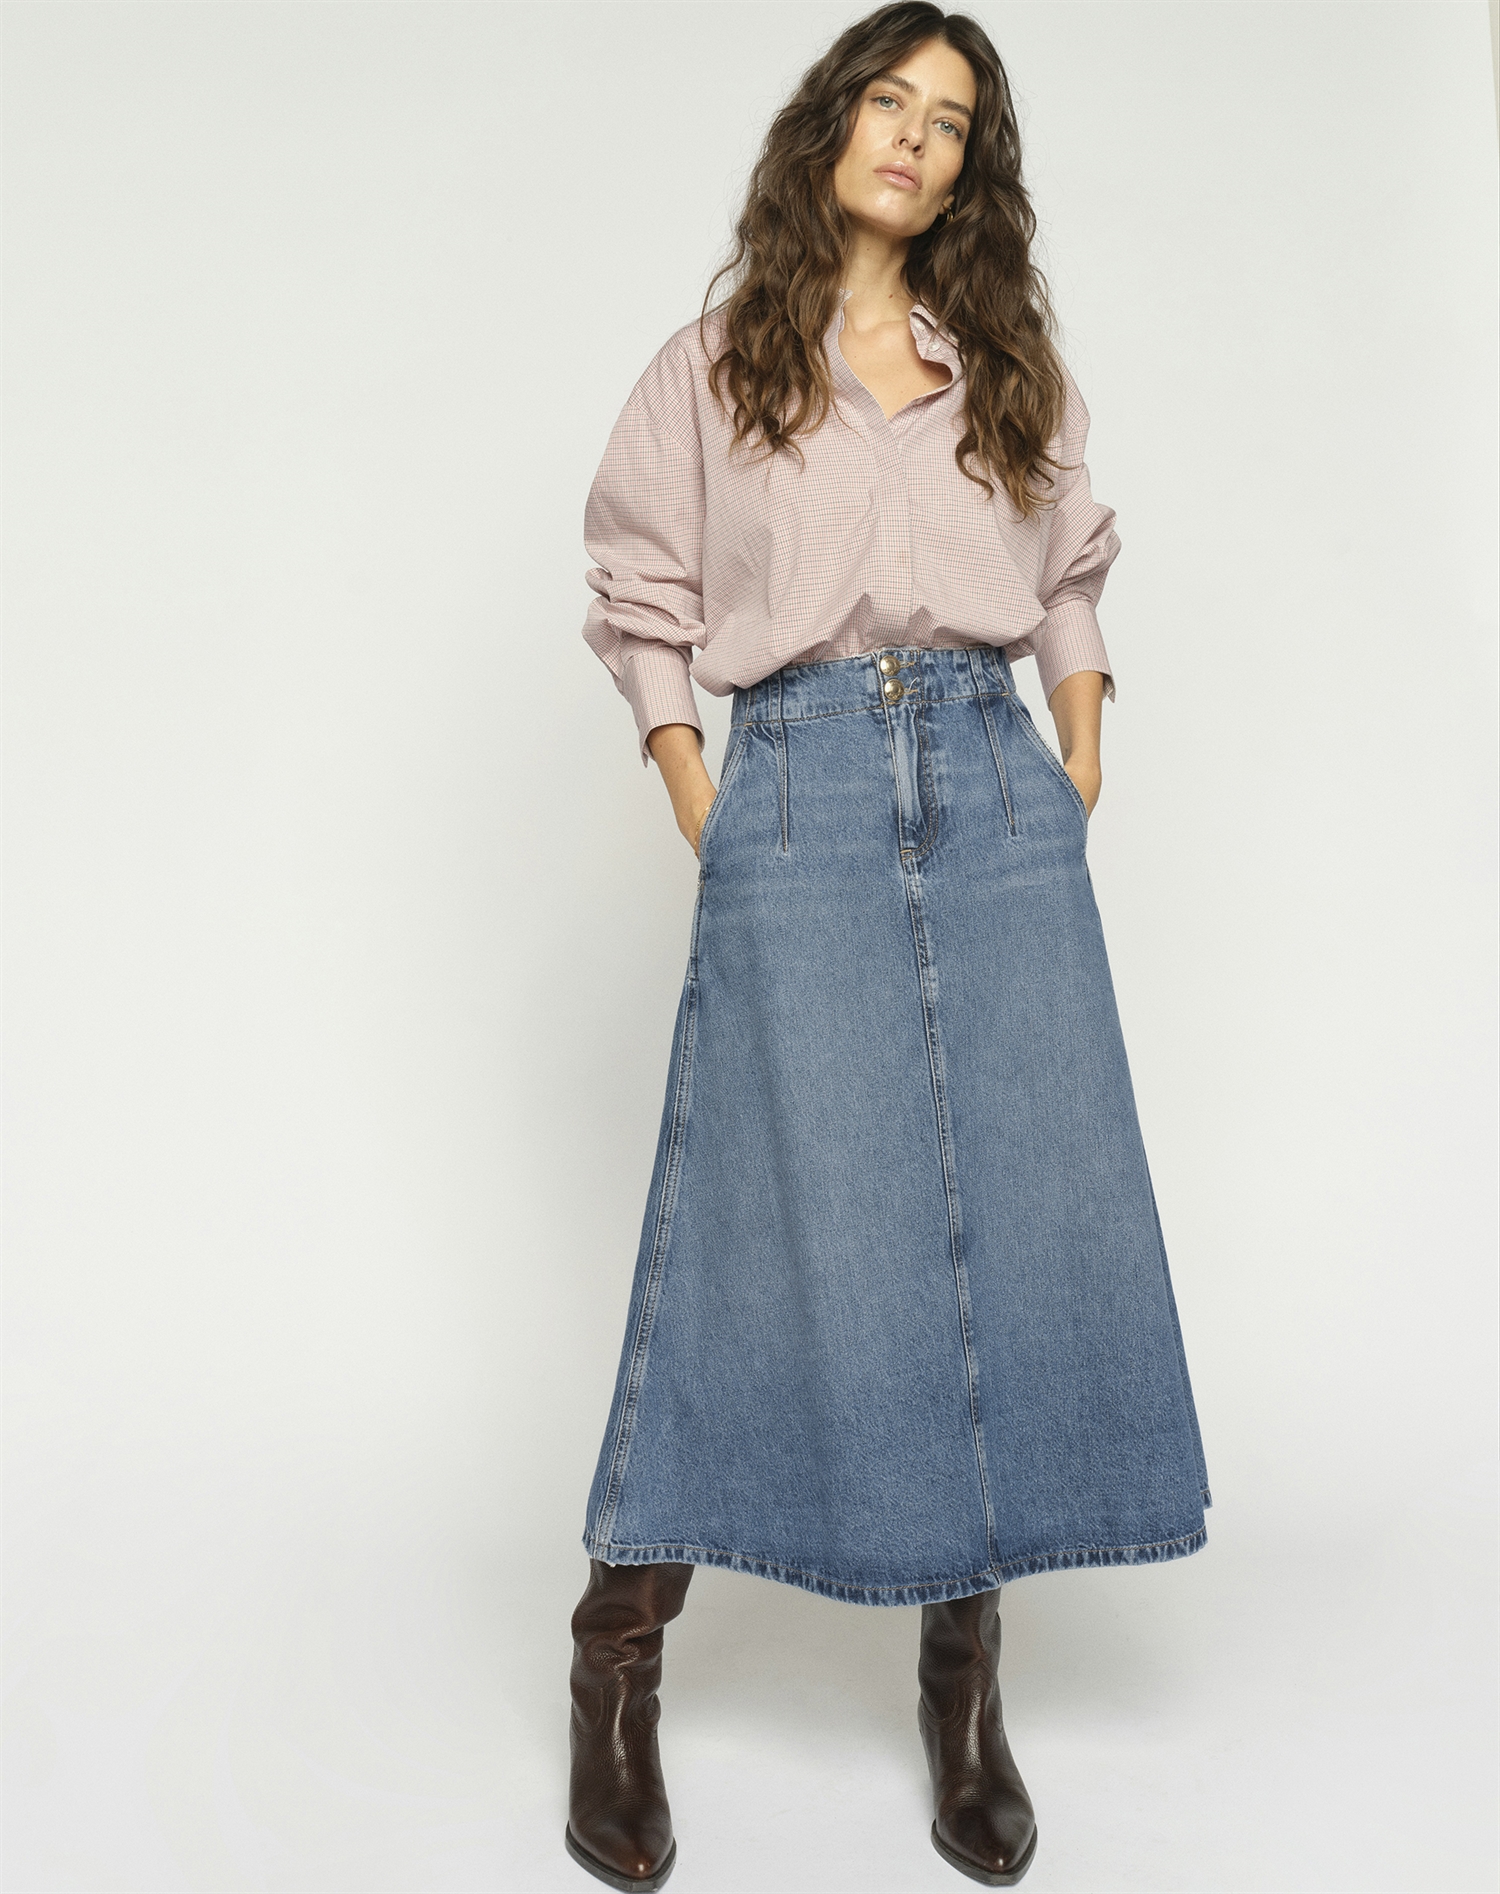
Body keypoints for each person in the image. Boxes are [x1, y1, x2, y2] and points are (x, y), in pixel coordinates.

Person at [565, 5, 1210, 1887]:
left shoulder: (998, 364)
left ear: (966, 174)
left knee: (1011, 1217)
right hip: (799, 787)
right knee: (745, 1225)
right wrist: (699, 786)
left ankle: (963, 1677)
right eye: (890, 101)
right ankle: (617, 1657)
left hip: (999, 796)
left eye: (951, 123)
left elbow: (1067, 568)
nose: (915, 138)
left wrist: (1077, 756)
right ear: (831, 122)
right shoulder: (714, 366)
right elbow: (641, 590)